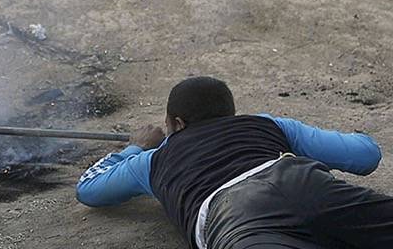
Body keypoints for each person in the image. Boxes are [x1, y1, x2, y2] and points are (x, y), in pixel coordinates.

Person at [76, 76, 391, 248]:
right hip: (301, 181)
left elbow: (89, 189)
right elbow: (366, 155)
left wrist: (134, 147)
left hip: (234, 213)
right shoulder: (266, 124)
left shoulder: (153, 160)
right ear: (230, 115)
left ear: (177, 123)